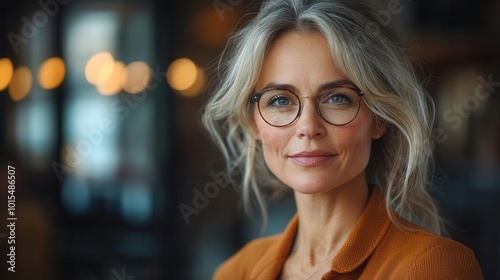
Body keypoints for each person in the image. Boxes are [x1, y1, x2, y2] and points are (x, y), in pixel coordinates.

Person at [202, 0, 484, 279]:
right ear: (253, 121)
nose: (309, 126)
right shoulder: (235, 272)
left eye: (337, 98)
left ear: (379, 117)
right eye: (279, 100)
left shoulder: (433, 266)